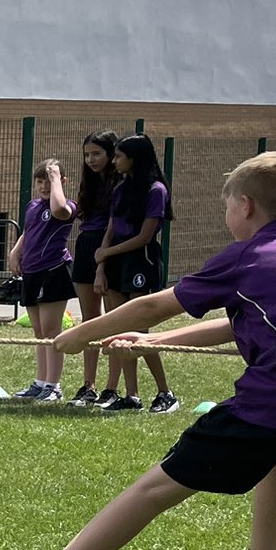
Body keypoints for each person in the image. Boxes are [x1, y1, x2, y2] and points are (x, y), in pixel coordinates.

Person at [6, 151, 276, 550]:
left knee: (155, 488)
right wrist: (159, 341)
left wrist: (79, 334)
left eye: (227, 205)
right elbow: (241, 325)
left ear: (245, 206)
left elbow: (151, 305)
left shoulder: (250, 256)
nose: (227, 214)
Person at [93, 132, 179, 413]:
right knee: (120, 331)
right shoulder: (120, 189)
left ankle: (166, 393)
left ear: (135, 159)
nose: (114, 161)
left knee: (139, 333)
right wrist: (101, 267)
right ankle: (132, 396)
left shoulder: (156, 190)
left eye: (118, 156)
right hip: (115, 261)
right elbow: (110, 230)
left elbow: (144, 236)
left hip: (140, 261)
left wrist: (108, 253)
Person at [5, 159, 76, 401]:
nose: (44, 185)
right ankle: (40, 382)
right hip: (32, 272)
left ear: (62, 182)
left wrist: (56, 180)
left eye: (49, 180)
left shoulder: (67, 206)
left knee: (51, 330)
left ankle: (53, 386)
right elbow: (29, 231)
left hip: (53, 271)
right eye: (40, 181)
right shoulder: (33, 206)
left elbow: (58, 211)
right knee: (38, 331)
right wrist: (16, 251)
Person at [67, 131, 119, 405]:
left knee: (112, 320)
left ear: (112, 154)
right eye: (87, 155)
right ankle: (89, 385)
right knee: (90, 320)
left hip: (107, 248)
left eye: (97, 154)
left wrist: (103, 265)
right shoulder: (89, 184)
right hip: (86, 244)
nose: (91, 160)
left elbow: (114, 225)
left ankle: (112, 387)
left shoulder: (120, 184)